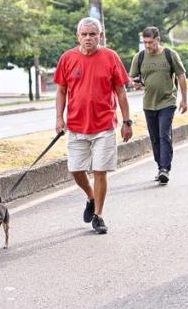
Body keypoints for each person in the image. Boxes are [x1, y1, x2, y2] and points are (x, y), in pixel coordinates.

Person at [54, 17, 134, 234]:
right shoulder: (67, 58)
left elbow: (121, 92)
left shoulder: (111, 57)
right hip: (76, 125)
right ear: (77, 36)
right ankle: (90, 196)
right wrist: (59, 119)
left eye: (93, 34)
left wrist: (127, 122)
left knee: (100, 171)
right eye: (84, 34)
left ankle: (98, 215)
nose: (88, 38)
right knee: (76, 169)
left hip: (104, 125)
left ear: (100, 35)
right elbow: (61, 91)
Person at [129, 26, 187, 184]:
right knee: (155, 138)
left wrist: (184, 99)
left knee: (164, 135)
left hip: (167, 102)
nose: (148, 46)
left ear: (158, 40)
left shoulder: (169, 54)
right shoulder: (139, 57)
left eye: (151, 42)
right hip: (149, 104)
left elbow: (181, 76)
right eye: (145, 42)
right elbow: (132, 79)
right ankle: (160, 165)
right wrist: (136, 84)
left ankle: (165, 169)